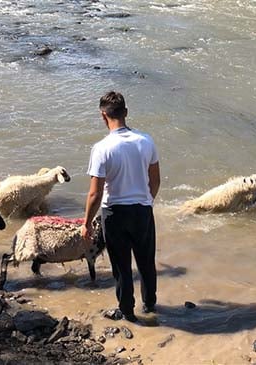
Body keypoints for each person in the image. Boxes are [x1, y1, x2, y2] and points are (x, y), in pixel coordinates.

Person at [82, 91, 160, 322]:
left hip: (115, 213)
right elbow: (155, 180)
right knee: (146, 261)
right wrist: (147, 200)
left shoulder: (102, 148)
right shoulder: (146, 141)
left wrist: (86, 223)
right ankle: (150, 304)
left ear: (103, 116)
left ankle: (127, 311)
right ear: (126, 112)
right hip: (142, 209)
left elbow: (95, 194)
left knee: (122, 266)